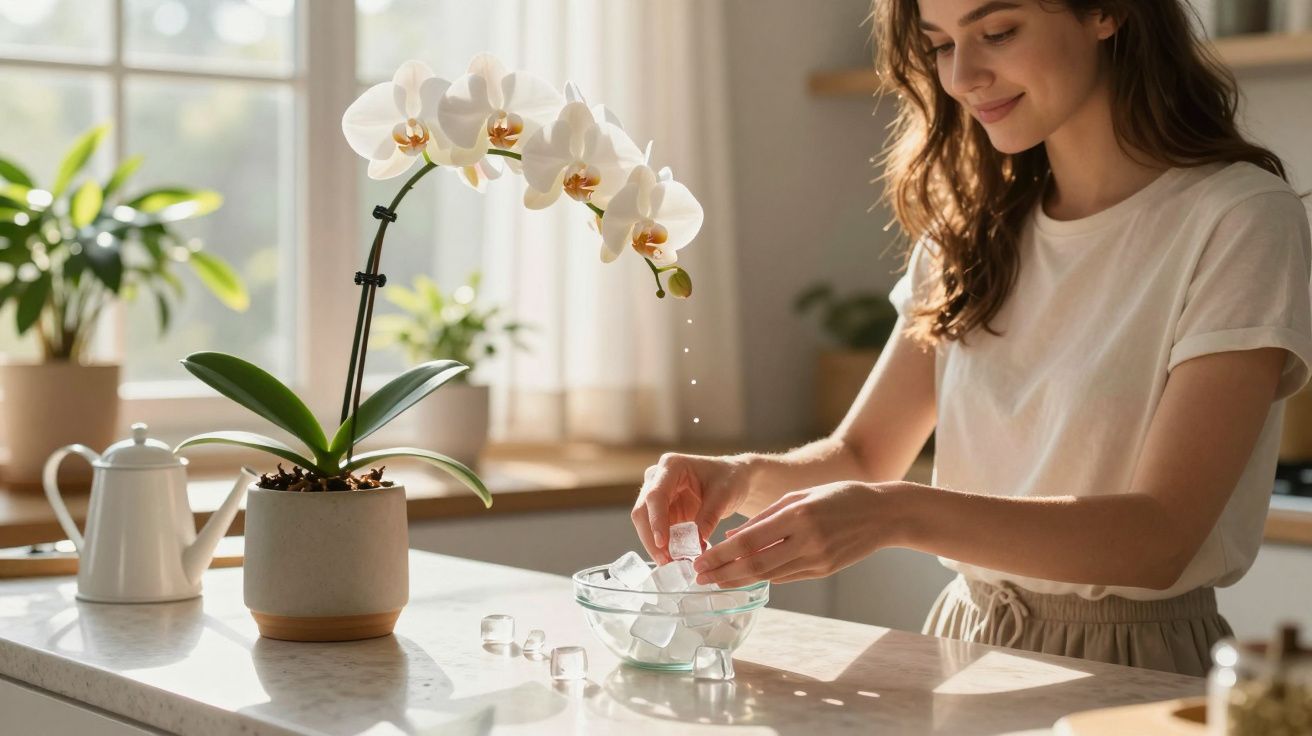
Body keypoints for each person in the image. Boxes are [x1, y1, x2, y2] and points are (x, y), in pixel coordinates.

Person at [630, 0, 1312, 677]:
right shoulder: (968, 233)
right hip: (960, 649)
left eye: (998, 32)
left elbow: (1159, 535)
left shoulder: (1239, 221)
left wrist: (897, 514)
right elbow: (866, 456)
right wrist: (739, 475)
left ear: (1106, 11)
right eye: (940, 45)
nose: (962, 77)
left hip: (1135, 667)